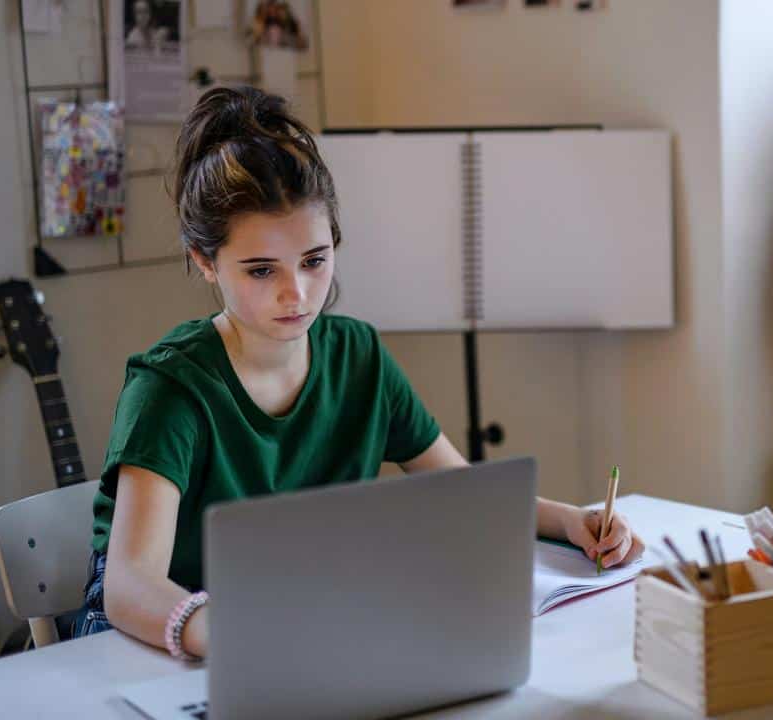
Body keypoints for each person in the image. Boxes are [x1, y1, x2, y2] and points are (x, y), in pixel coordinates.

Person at [72, 86, 645, 659]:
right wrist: (225, 634)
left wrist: (572, 521)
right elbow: (128, 587)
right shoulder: (170, 388)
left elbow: (461, 490)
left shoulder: (359, 356)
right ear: (205, 262)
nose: (295, 293)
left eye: (314, 260)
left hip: (291, 621)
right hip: (157, 635)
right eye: (260, 270)